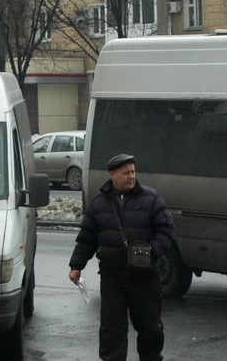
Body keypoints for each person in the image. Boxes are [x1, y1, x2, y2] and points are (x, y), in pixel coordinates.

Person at [69, 154, 176, 361]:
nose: (131, 177)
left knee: (150, 327)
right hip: (113, 277)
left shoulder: (151, 198)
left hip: (145, 277)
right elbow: (87, 238)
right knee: (112, 329)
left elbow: (167, 230)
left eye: (133, 172)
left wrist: (151, 251)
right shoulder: (99, 203)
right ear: (112, 175)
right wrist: (76, 265)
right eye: (126, 173)